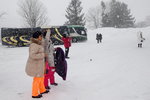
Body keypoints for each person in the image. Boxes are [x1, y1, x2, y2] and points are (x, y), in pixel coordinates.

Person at [25, 31, 49, 98]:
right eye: (41, 36)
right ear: (38, 37)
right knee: (37, 80)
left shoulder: (38, 43)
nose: (41, 37)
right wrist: (43, 55)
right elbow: (32, 55)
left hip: (39, 66)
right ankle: (34, 94)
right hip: (35, 66)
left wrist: (47, 33)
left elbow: (45, 42)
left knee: (41, 78)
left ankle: (42, 90)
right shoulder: (34, 45)